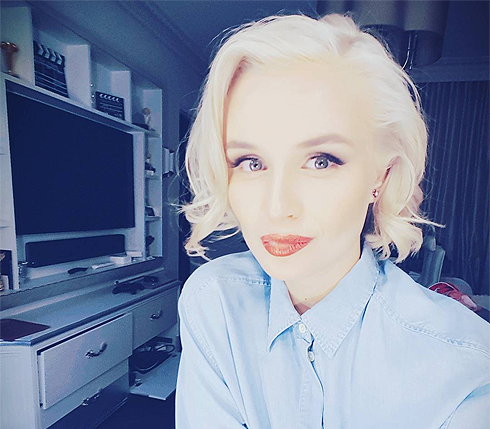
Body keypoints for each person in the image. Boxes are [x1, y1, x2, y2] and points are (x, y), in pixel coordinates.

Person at [174, 13, 489, 429]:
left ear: (381, 176)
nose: (277, 206)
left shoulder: (465, 366)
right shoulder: (214, 302)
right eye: (251, 162)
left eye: (321, 161)